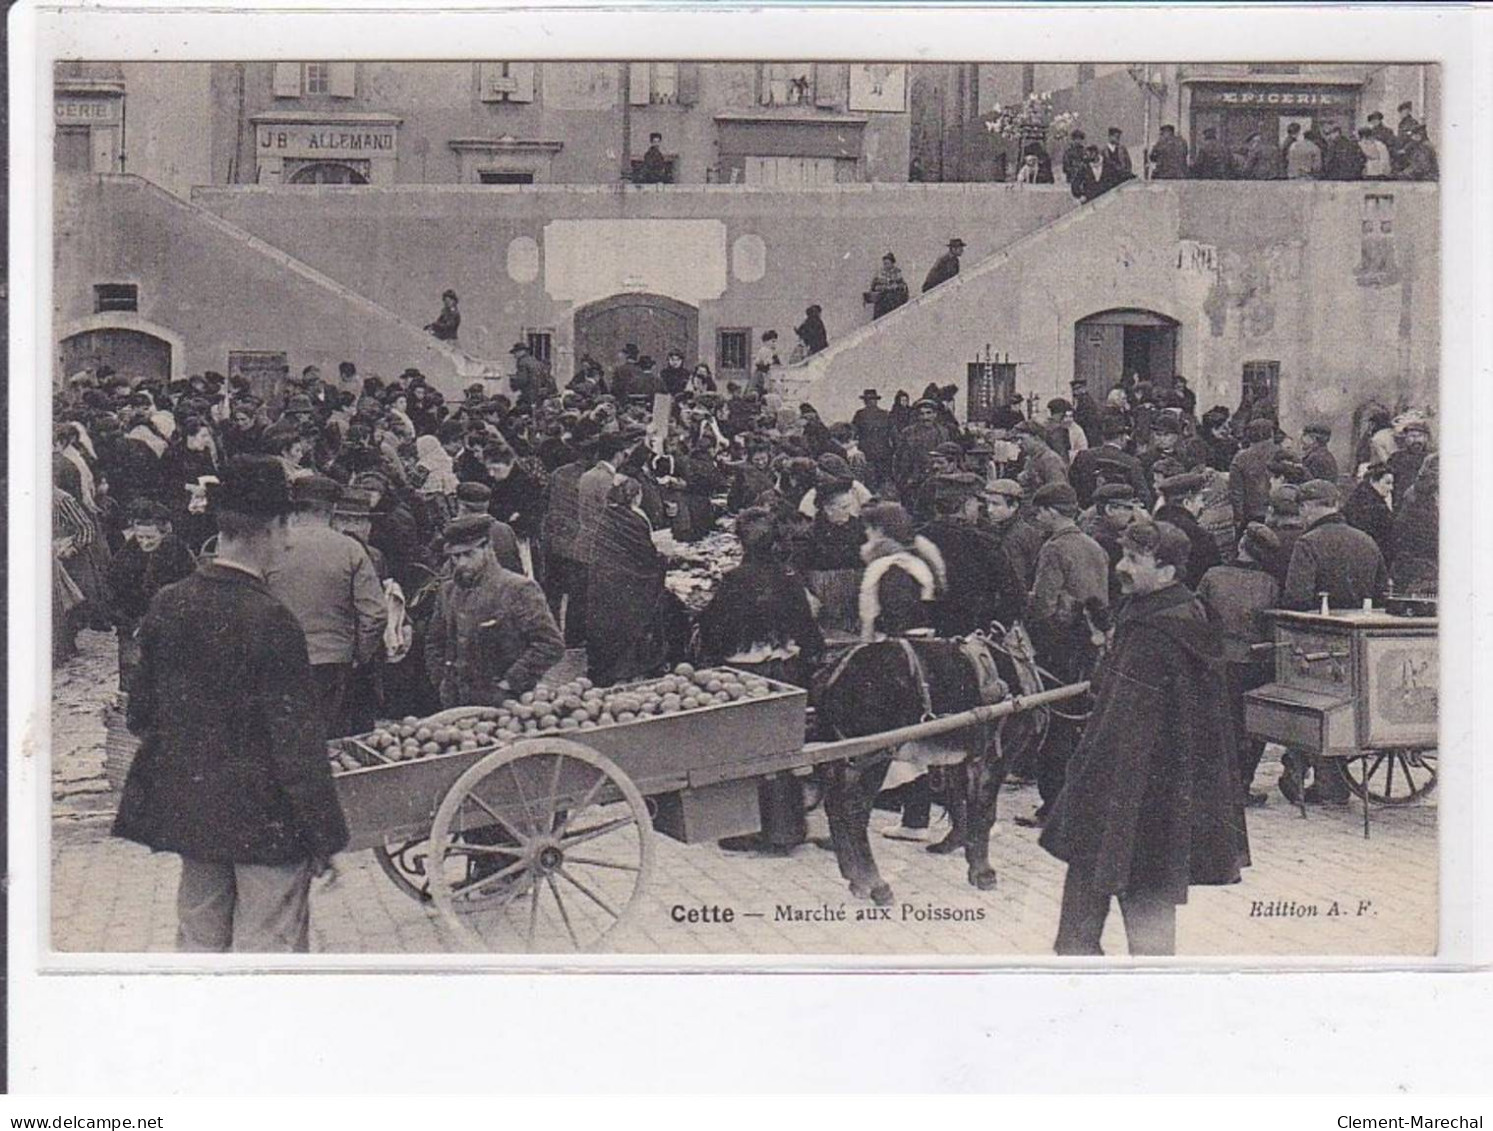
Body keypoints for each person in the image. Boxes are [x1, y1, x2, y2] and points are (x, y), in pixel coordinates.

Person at [114, 456, 349, 953]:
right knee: (266, 953)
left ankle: (203, 1030)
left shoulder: (168, 602)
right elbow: (298, 747)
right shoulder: (273, 620)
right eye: (288, 528)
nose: (289, 542)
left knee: (199, 946)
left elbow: (140, 715)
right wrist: (324, 835)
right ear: (273, 527)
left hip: (195, 820)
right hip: (268, 828)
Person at [1040, 519, 1249, 956]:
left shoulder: (1155, 635)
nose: (1122, 567)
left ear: (1168, 572)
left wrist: (1083, 776)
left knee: (1109, 917)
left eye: (1135, 560)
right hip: (1151, 801)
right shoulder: (1171, 616)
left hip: (1126, 798)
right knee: (1135, 911)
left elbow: (1121, 725)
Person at [698, 508, 824, 857]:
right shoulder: (787, 578)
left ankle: (749, 827)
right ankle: (787, 828)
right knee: (783, 749)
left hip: (744, 676)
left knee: (744, 751)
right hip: (785, 672)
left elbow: (714, 630)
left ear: (742, 542)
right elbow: (808, 631)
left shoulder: (734, 581)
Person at [263, 475, 388, 740]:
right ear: (331, 511)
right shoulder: (350, 549)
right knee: (331, 744)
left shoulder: (269, 546)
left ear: (294, 509)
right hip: (333, 661)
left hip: (280, 660)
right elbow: (375, 614)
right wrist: (359, 654)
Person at [1020, 482, 1109, 829]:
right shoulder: (1094, 546)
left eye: (1039, 512)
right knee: (1079, 721)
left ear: (1051, 512)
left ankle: (1053, 805)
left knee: (1053, 724)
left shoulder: (1054, 549)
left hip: (1058, 644)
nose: (1037, 519)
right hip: (1090, 642)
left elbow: (1043, 604)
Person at [423, 514, 564, 707]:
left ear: (488, 548)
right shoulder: (448, 591)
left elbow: (550, 644)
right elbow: (434, 641)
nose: (461, 562)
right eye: (456, 556)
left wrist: (511, 681)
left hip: (507, 704)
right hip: (457, 702)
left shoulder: (517, 589)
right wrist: (442, 679)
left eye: (469, 554)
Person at [1197, 522, 1282, 806]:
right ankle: (1243, 785)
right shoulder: (1269, 583)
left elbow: (1199, 617)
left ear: (1241, 545)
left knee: (1220, 724)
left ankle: (1215, 787)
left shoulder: (1213, 576)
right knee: (1253, 727)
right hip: (1256, 663)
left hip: (1218, 660)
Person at [107, 499, 196, 695]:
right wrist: (127, 619)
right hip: (133, 623)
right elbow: (114, 590)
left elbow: (188, 592)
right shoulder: (125, 557)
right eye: (140, 537)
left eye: (151, 538)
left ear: (166, 532)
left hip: (168, 625)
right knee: (133, 675)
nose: (145, 543)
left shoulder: (178, 555)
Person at [921, 473, 1024, 636]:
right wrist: (999, 626)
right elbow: (1013, 594)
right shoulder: (983, 544)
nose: (981, 510)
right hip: (972, 639)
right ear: (966, 504)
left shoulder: (918, 540)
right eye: (978, 504)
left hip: (926, 639)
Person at [1283, 479, 1389, 611]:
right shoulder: (1367, 541)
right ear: (1336, 505)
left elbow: (1297, 600)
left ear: (1304, 507)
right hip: (1360, 625)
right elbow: (1382, 596)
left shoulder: (1307, 544)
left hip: (1321, 627)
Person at [1153, 470, 1223, 591]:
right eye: (1200, 500)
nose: (1202, 505)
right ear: (1187, 503)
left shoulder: (1152, 527)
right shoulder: (1201, 537)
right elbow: (1213, 578)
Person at [1228, 418, 1279, 538]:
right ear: (1271, 434)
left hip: (1251, 515)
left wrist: (1238, 518)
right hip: (1278, 513)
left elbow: (1236, 493)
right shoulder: (1281, 453)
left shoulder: (1240, 458)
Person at [1343, 462, 1395, 567]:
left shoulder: (1357, 497)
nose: (1391, 488)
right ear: (1373, 481)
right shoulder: (1376, 508)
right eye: (1387, 483)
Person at [1098, 127, 1134, 193]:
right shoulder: (1103, 151)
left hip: (1121, 178)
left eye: (1119, 137)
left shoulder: (1122, 149)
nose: (1118, 139)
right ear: (1109, 137)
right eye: (1116, 137)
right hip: (1109, 180)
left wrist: (1126, 172)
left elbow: (1128, 163)